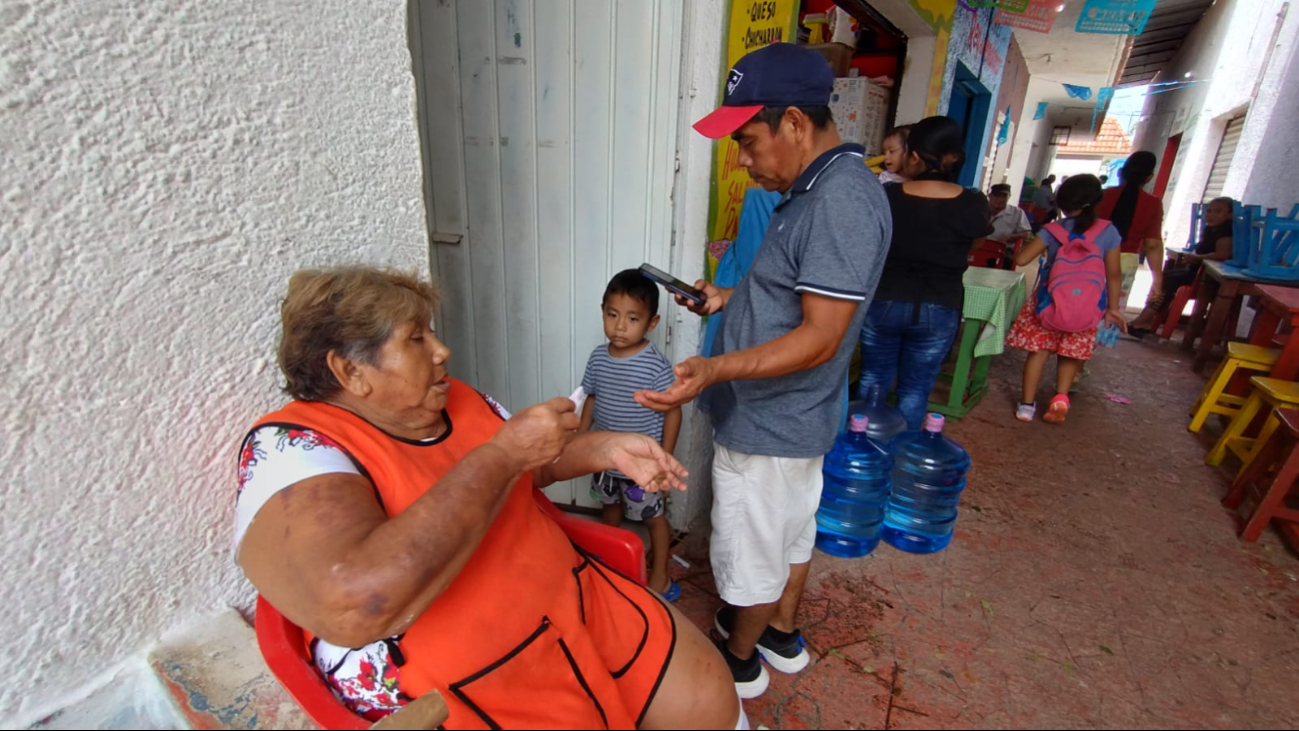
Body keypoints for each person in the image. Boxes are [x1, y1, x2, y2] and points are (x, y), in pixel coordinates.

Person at [235, 267, 744, 730]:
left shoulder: (456, 397)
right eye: (416, 339)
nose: (441, 351)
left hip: (569, 593)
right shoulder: (295, 449)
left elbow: (533, 464)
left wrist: (606, 448)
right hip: (463, 668)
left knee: (708, 699)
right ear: (350, 372)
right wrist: (501, 455)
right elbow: (355, 604)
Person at [635, 42, 890, 699]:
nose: (743, 161)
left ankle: (739, 659)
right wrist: (726, 298)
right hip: (793, 422)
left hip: (770, 426)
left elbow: (819, 337)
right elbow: (796, 294)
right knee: (788, 534)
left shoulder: (837, 201)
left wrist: (716, 366)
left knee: (750, 553)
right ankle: (778, 631)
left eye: (748, 141)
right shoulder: (815, 190)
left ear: (796, 125)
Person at [856, 116, 993, 429]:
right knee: (915, 389)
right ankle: (899, 454)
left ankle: (862, 452)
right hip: (940, 306)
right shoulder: (972, 202)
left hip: (884, 301)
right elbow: (976, 240)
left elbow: (869, 241)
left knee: (873, 381)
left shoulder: (888, 196)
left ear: (914, 156)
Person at [579, 269, 681, 601]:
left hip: (642, 466)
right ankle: (610, 564)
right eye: (612, 315)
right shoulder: (598, 358)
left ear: (651, 323)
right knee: (610, 510)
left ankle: (661, 576)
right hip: (603, 458)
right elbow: (591, 397)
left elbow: (673, 410)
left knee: (653, 518)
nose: (620, 326)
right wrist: (580, 441)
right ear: (603, 312)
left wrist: (663, 458)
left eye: (632, 318)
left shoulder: (655, 366)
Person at [1006, 175, 1127, 423]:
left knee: (1038, 352)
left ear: (1060, 202)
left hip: (1047, 304)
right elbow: (1114, 274)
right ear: (1096, 201)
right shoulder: (1108, 231)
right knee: (1070, 354)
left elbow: (1021, 260)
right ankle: (1060, 397)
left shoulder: (1054, 230)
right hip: (1087, 307)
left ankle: (1026, 407)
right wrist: (1112, 308)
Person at [1128, 197, 1235, 335]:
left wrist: (1196, 258)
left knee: (1169, 281)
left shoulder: (1226, 231)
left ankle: (1145, 319)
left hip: (1208, 277)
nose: (1211, 215)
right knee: (1164, 277)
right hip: (1196, 272)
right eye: (1209, 211)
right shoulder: (1210, 229)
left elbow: (1222, 254)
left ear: (1230, 214)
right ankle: (1146, 318)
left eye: (1218, 211)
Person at [1096, 151, 1165, 310]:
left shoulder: (1101, 196)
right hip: (1124, 262)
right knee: (1112, 309)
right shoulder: (1153, 204)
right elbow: (1152, 244)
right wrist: (1157, 279)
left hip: (1092, 254)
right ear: (1149, 177)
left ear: (1120, 172)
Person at [988, 182, 1033, 268]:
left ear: (1009, 197)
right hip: (979, 245)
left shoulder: (1017, 212)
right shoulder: (980, 209)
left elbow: (1027, 233)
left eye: (1004, 196)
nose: (1000, 199)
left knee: (1006, 261)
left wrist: (1009, 237)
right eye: (997, 196)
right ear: (990, 196)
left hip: (1003, 249)